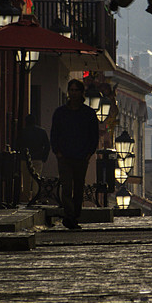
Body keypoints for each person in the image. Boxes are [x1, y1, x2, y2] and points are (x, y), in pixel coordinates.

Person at [50, 79, 99, 230]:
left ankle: (74, 215)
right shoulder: (60, 113)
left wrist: (89, 153)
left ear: (81, 93)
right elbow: (54, 133)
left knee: (78, 188)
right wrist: (57, 151)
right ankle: (69, 216)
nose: (73, 93)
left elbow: (94, 135)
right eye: (71, 90)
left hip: (81, 157)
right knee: (66, 187)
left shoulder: (88, 114)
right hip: (64, 156)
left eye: (76, 90)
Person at [18, 114, 50, 202]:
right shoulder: (41, 131)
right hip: (38, 158)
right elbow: (47, 146)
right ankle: (36, 197)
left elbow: (18, 145)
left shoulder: (22, 132)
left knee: (26, 179)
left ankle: (26, 197)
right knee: (36, 178)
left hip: (25, 159)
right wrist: (44, 158)